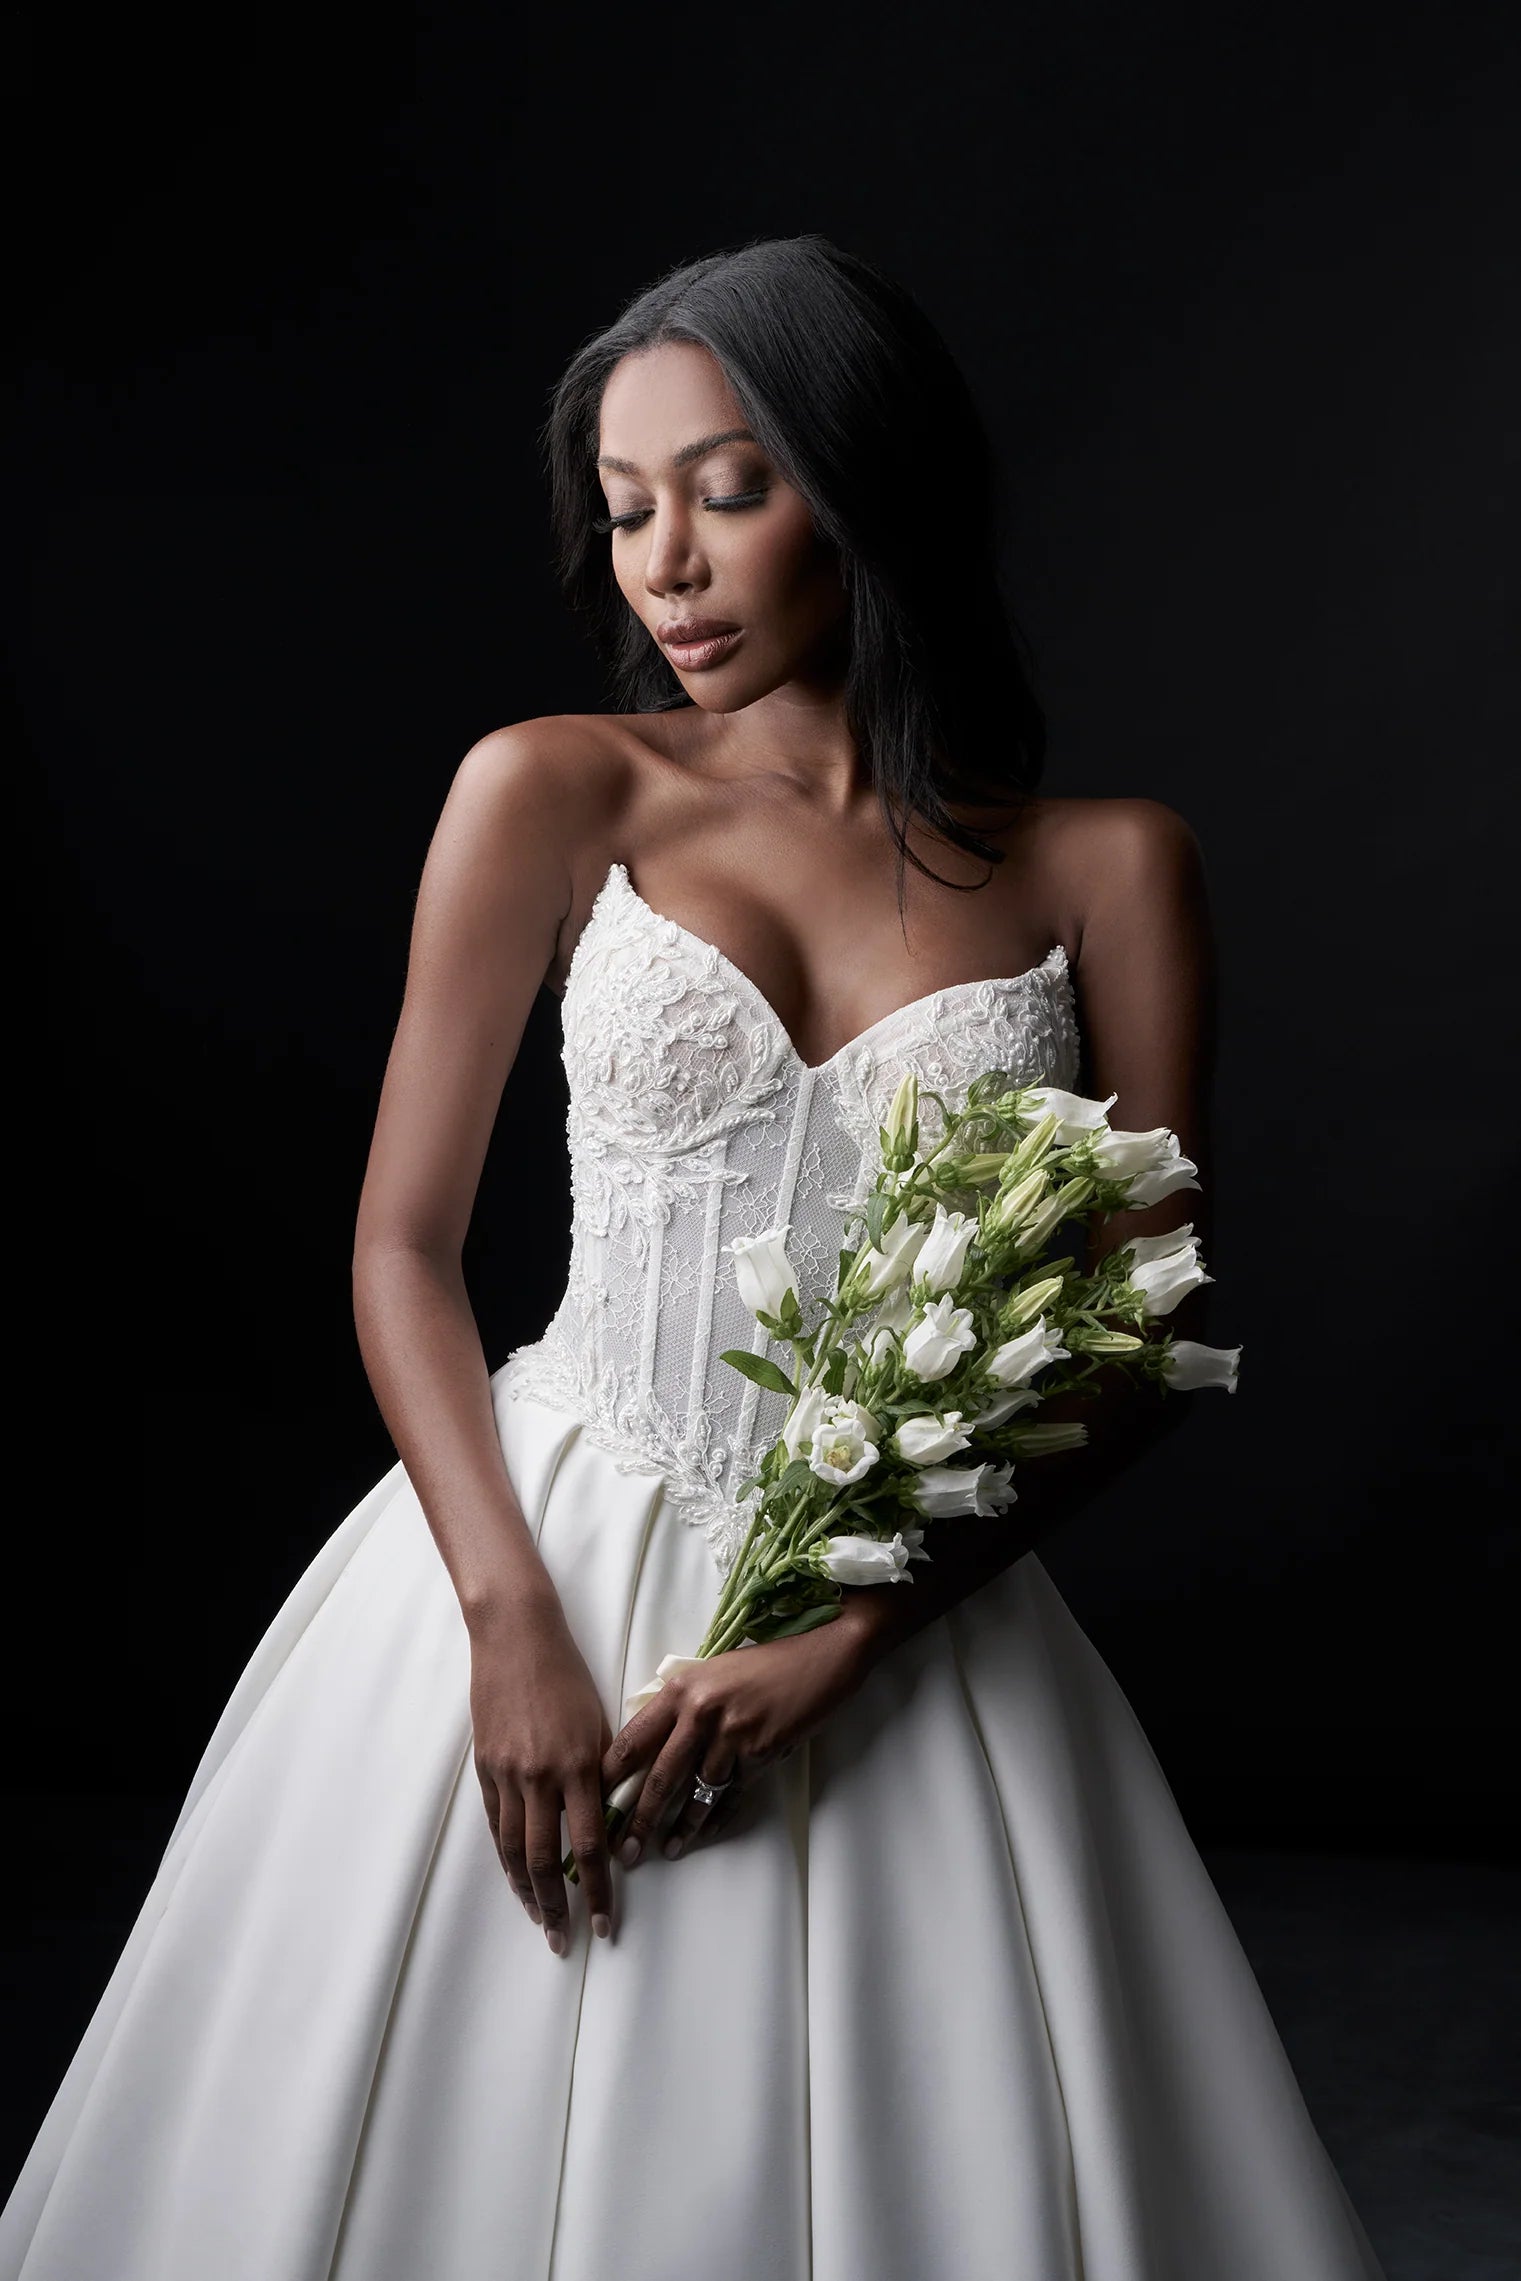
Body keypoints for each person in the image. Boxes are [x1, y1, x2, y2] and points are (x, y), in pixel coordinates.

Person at [1, 235, 1387, 2280]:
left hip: (897, 1619)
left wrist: (845, 1633)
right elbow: (399, 1242)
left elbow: (1132, 1322)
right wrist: (506, 1626)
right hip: (530, 1546)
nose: (664, 562)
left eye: (726, 490)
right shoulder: (556, 788)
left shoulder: (1108, 864)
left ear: (866, 477)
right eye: (625, 509)